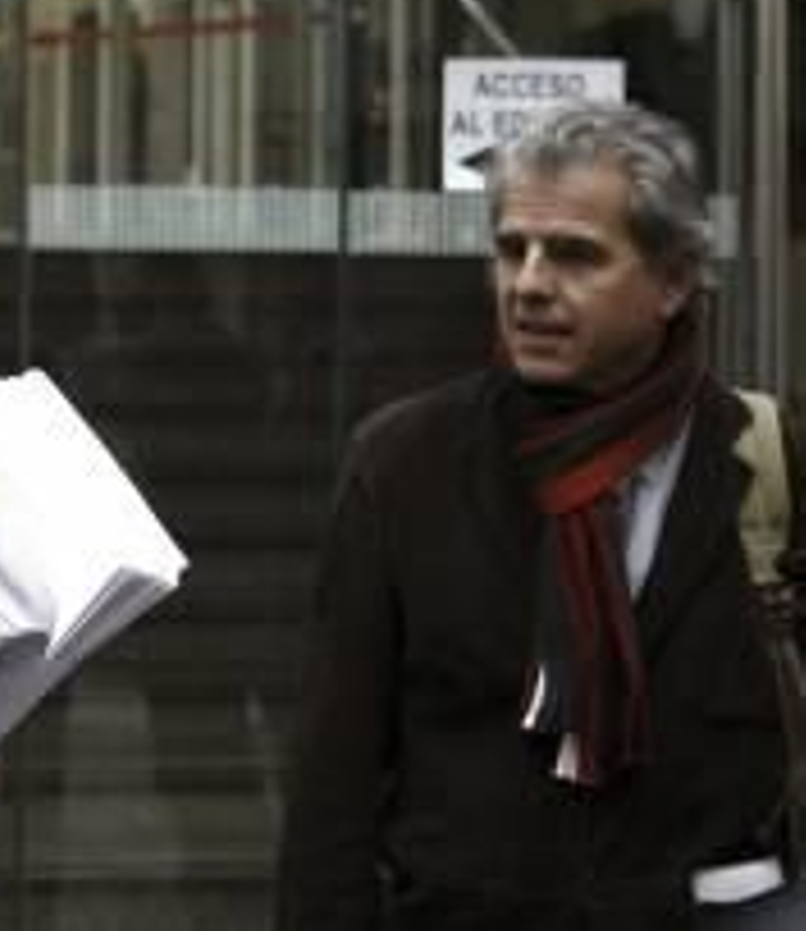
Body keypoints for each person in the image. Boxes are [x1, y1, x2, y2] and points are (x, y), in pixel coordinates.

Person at [277, 101, 794, 929]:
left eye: (576, 256)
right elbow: (332, 785)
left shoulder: (758, 459)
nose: (529, 285)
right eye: (512, 250)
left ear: (672, 280)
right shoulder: (407, 463)